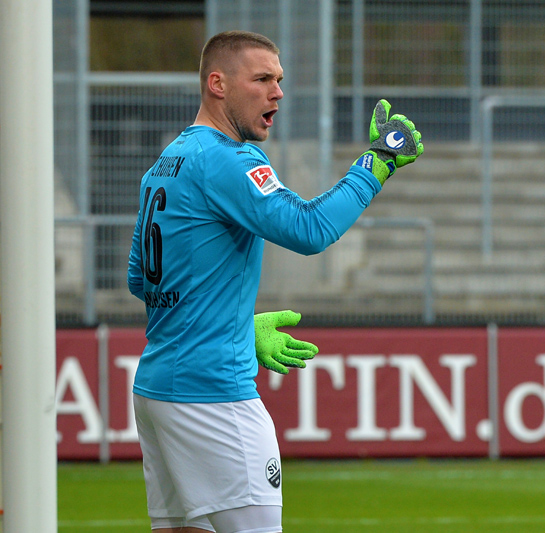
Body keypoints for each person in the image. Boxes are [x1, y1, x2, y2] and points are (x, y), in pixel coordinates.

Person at [127, 30, 423, 533]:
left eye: (279, 80)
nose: (277, 92)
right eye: (262, 79)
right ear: (217, 84)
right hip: (214, 394)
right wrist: (376, 164)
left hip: (158, 390)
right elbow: (309, 230)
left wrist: (236, 325)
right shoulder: (228, 158)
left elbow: (141, 278)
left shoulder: (167, 161)